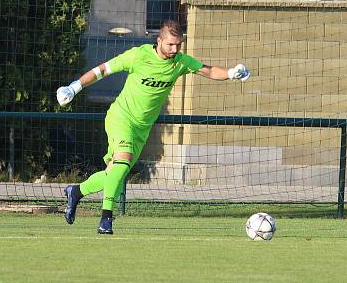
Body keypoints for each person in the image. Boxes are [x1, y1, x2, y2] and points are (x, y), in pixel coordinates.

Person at [55, 19, 250, 234]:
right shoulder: (138, 55)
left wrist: (232, 73)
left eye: (178, 45)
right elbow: (102, 70)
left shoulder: (181, 62)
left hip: (142, 128)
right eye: (170, 45)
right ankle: (106, 219)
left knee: (115, 175)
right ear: (159, 41)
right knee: (123, 162)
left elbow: (209, 71)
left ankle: (76, 192)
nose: (174, 49)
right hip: (121, 117)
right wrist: (74, 88)